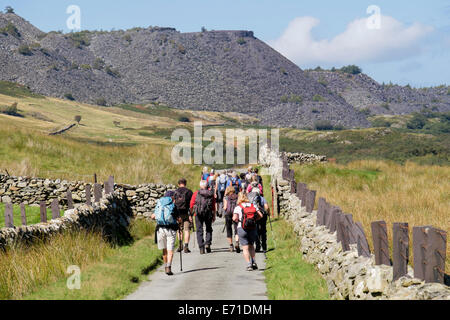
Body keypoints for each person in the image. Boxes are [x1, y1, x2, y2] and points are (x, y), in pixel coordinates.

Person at [233, 192, 264, 271]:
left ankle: (249, 264)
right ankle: (253, 261)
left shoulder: (238, 207)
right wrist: (254, 220)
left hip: (242, 228)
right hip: (252, 228)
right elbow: (261, 215)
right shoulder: (253, 205)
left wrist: (239, 221)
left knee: (245, 248)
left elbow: (234, 218)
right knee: (251, 246)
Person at [152, 190, 180, 276]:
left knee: (164, 250)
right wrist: (180, 222)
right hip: (171, 230)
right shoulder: (173, 206)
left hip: (160, 229)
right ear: (172, 197)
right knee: (170, 250)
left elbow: (153, 216)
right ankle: (169, 267)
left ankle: (165, 267)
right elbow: (178, 219)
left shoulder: (159, 204)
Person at [190, 180, 217, 254]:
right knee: (208, 228)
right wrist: (214, 215)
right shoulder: (210, 193)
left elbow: (191, 204)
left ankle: (201, 247)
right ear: (206, 185)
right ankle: (208, 243)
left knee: (199, 230)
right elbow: (213, 206)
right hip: (208, 213)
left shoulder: (196, 193)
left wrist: (191, 214)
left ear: (200, 186)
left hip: (198, 214)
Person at [173, 178, 193, 254]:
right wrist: (191, 214)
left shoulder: (175, 192)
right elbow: (192, 204)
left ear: (178, 184)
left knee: (179, 230)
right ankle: (186, 246)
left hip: (178, 214)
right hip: (186, 213)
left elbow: (174, 203)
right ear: (185, 183)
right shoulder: (189, 192)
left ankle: (180, 244)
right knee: (187, 230)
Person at [247, 187, 270, 253]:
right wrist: (268, 213)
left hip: (254, 216)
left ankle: (257, 247)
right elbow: (266, 207)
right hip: (262, 216)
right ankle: (264, 247)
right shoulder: (262, 198)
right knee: (263, 231)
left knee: (255, 231)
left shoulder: (250, 199)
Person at [223, 186, 240, 253]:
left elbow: (225, 207)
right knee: (236, 228)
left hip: (228, 214)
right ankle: (237, 242)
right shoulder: (237, 196)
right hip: (236, 213)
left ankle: (231, 246)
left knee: (229, 229)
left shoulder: (226, 197)